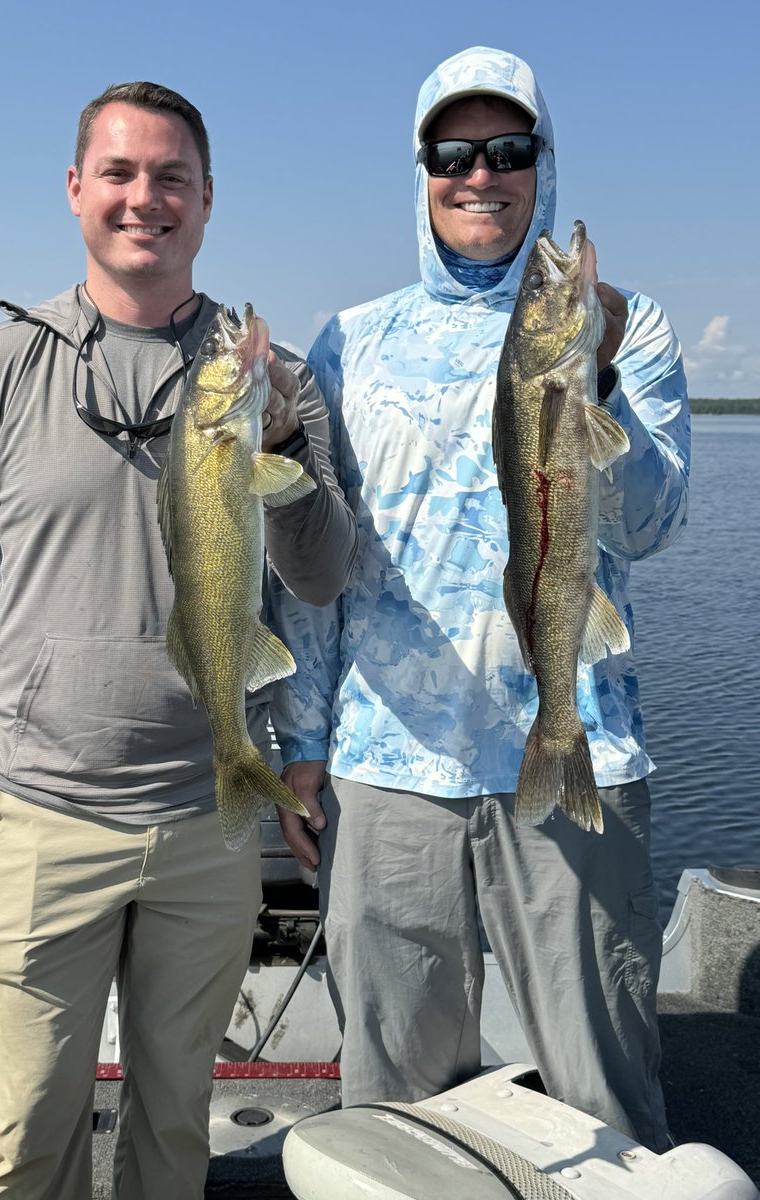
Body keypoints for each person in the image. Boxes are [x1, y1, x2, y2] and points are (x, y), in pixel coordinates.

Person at [0, 81, 357, 1200]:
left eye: (171, 178)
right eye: (119, 173)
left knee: (172, 1132)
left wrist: (285, 450)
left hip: (210, 822)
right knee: (24, 1141)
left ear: (207, 203)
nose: (144, 198)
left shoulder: (278, 376)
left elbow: (321, 577)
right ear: (75, 190)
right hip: (38, 825)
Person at [271, 46, 689, 1153]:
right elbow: (316, 569)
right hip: (386, 766)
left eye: (509, 149)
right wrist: (299, 740)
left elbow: (649, 526)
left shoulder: (623, 323)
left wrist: (591, 368)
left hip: (576, 743)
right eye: (453, 152)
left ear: (542, 166)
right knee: (396, 1103)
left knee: (606, 1094)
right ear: (421, 171)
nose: (481, 174)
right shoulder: (349, 343)